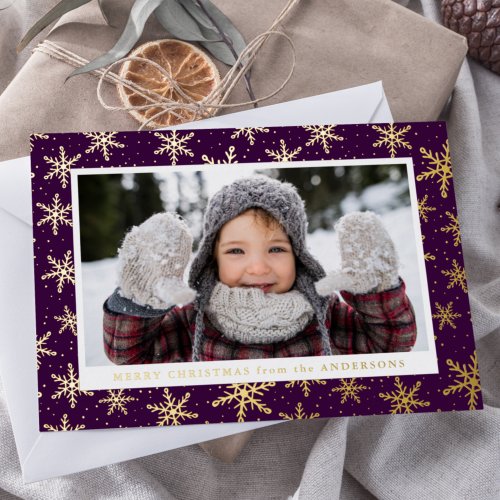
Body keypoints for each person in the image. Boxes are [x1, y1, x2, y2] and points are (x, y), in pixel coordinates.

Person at [103, 175, 417, 364]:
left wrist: (376, 291)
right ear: (213, 259)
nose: (257, 266)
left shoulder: (324, 311)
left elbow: (391, 345)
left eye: (277, 249)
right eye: (236, 251)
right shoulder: (194, 318)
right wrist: (139, 298)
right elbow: (129, 357)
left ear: (299, 257)